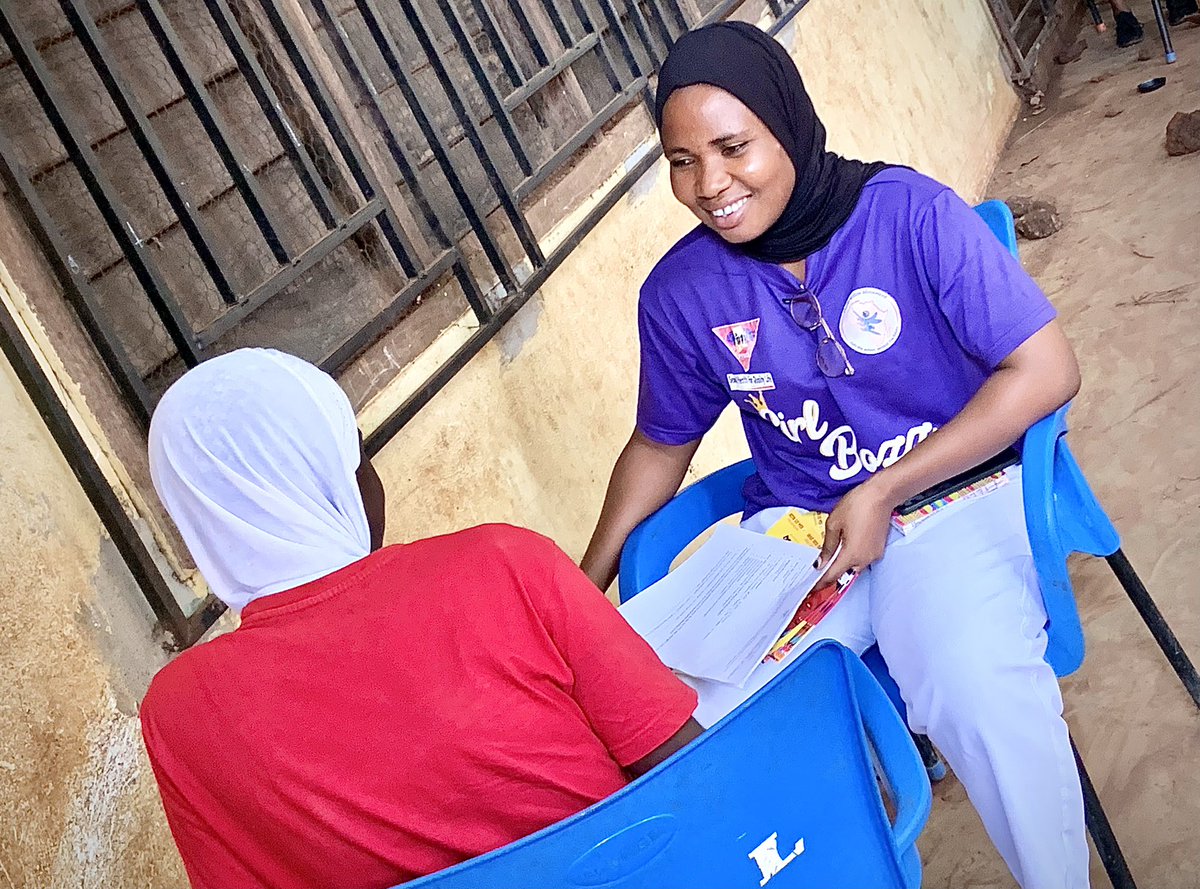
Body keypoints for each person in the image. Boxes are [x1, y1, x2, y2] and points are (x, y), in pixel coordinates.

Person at [580, 22, 1087, 889]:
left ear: (787, 123)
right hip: (802, 541)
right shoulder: (681, 291)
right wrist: (576, 596)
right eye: (681, 162)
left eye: (733, 148)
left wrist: (887, 487)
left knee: (973, 683)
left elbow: (1045, 369)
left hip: (951, 496)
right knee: (673, 726)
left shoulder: (909, 215)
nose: (710, 185)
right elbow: (660, 442)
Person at [140, 348, 700, 889]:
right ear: (335, 475)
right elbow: (690, 766)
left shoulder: (179, 714)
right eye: (357, 450)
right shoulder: (501, 564)